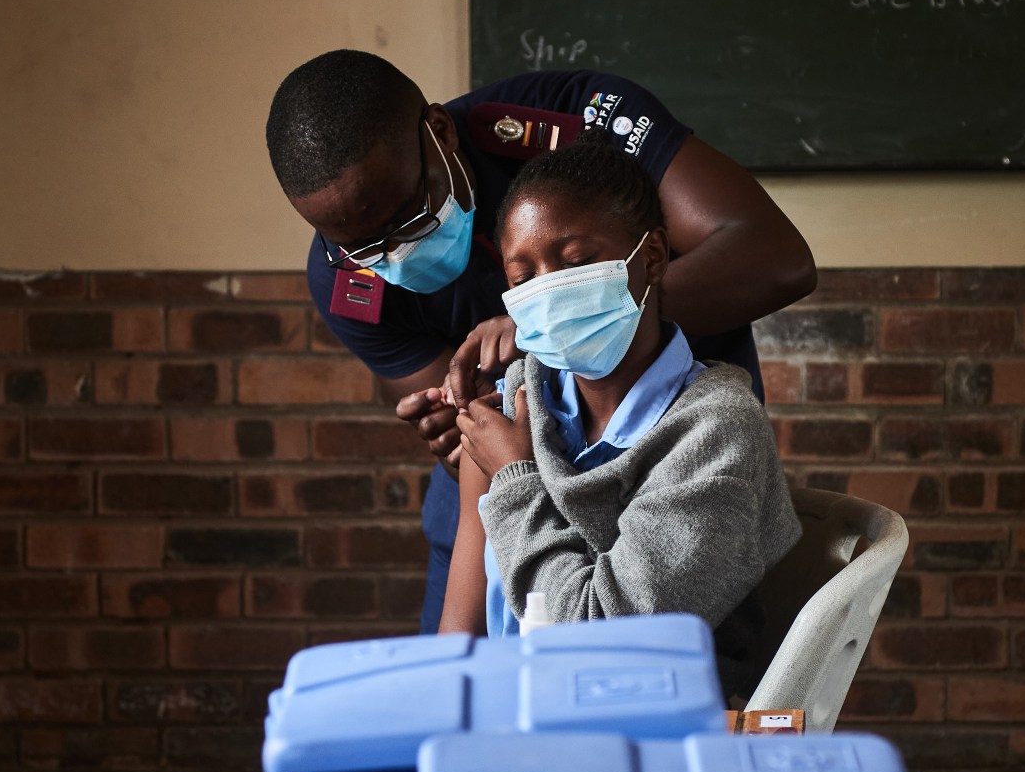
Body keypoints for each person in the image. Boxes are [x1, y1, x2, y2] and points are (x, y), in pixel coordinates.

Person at [265, 50, 815, 633]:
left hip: (665, 458)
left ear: (441, 133)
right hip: (518, 479)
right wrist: (470, 442)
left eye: (408, 215)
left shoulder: (577, 122)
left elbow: (776, 256)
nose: (393, 251)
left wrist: (568, 320)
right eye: (521, 279)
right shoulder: (344, 279)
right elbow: (482, 457)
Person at [445, 129, 801, 696]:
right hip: (514, 717)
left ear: (652, 257)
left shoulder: (716, 430)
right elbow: (460, 635)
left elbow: (601, 643)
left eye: (576, 262)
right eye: (523, 278)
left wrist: (514, 479)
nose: (548, 292)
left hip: (651, 725)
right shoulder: (517, 399)